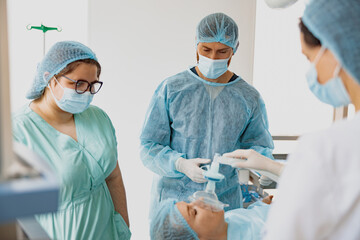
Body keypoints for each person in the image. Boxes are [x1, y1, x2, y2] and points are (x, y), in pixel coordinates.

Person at [222, 0, 360, 239]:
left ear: (333, 49)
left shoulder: (326, 149)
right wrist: (275, 169)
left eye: (309, 59)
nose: (313, 73)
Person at [140, 12, 274, 215]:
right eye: (206, 49)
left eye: (222, 51)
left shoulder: (248, 97)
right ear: (196, 45)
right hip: (175, 204)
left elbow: (258, 147)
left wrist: (267, 169)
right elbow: (149, 146)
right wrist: (180, 164)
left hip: (223, 203)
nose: (213, 57)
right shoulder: (172, 88)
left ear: (234, 50)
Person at [12, 41, 131, 240]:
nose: (86, 92)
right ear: (50, 79)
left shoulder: (98, 118)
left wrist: (123, 227)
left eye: (93, 85)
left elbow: (113, 177)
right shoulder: (18, 131)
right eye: (78, 83)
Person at [150, 195, 273, 240]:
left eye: (190, 202)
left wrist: (263, 204)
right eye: (194, 212)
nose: (201, 200)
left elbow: (250, 216)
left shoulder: (226, 221)